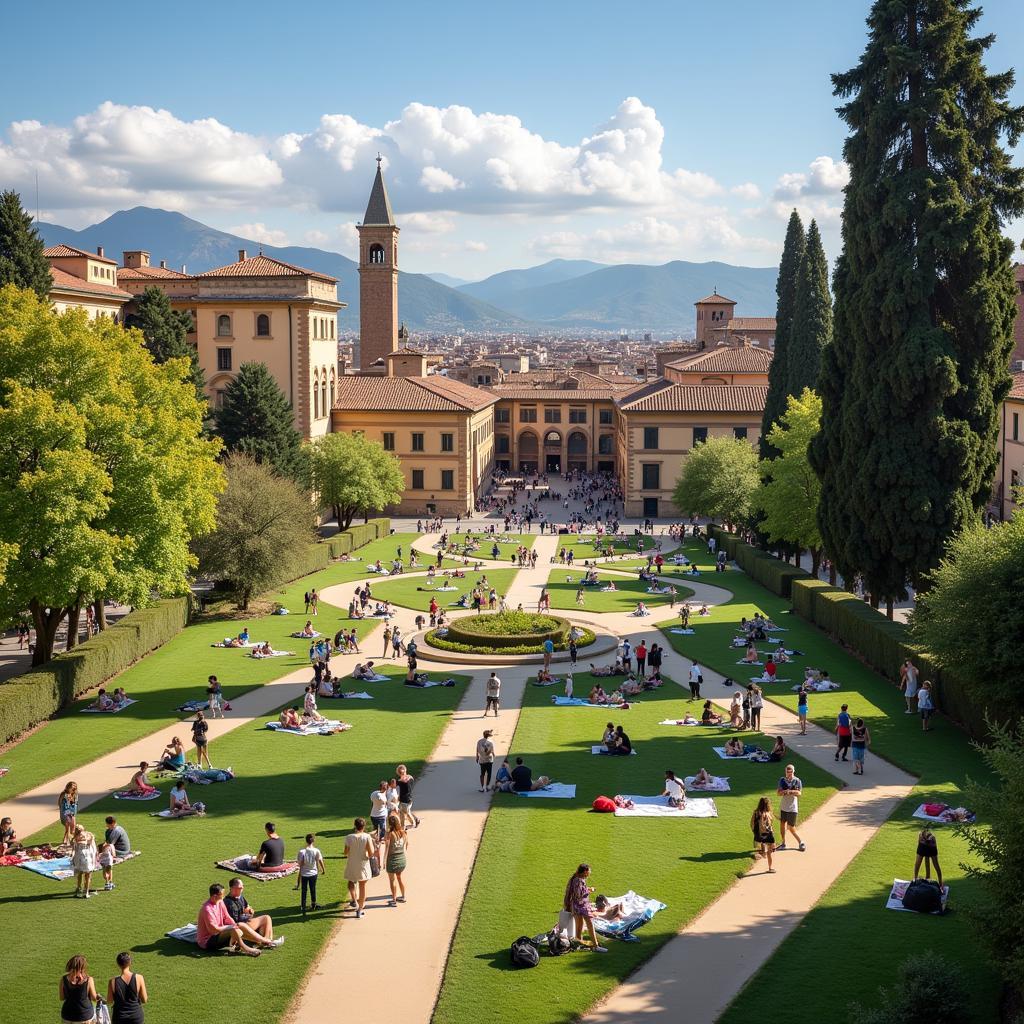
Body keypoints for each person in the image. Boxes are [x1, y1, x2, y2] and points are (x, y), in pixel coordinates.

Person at [196, 883, 264, 956]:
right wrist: (230, 927)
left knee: (239, 925)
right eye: (222, 894)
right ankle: (246, 948)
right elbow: (213, 930)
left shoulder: (220, 902)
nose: (224, 896)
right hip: (207, 942)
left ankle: (264, 941)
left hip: (219, 936)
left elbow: (227, 917)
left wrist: (235, 925)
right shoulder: (207, 909)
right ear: (215, 896)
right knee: (233, 929)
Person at [563, 864, 606, 952]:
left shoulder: (574, 878)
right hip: (582, 906)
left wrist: (586, 889)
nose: (589, 873)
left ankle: (578, 942)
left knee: (580, 924)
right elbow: (579, 895)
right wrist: (589, 890)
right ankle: (596, 946)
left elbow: (575, 891)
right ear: (585, 871)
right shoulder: (579, 880)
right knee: (590, 925)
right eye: (589, 871)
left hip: (575, 906)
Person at [224, 878, 278, 944]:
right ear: (232, 888)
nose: (242, 889)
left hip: (245, 923)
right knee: (266, 918)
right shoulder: (229, 903)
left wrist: (249, 910)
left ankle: (267, 940)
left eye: (242, 887)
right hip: (240, 927)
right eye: (240, 888)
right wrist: (247, 917)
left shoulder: (239, 896)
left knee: (267, 918)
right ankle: (268, 941)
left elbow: (246, 907)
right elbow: (236, 921)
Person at [343, 818, 377, 918]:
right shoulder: (367, 837)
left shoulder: (349, 837)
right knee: (363, 887)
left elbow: (345, 852)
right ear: (364, 826)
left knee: (351, 882)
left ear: (355, 826)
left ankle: (354, 900)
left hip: (352, 863)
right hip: (363, 864)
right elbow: (371, 853)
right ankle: (360, 909)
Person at [107, 952, 147, 1024]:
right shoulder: (139, 978)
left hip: (119, 1017)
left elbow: (109, 1001)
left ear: (118, 964)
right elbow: (144, 999)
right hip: (136, 1016)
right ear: (130, 962)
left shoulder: (112, 981)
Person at [60, 954, 99, 1023]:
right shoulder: (89, 980)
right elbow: (94, 998)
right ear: (83, 967)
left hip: (67, 1015)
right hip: (85, 1016)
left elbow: (62, 997)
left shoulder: (63, 979)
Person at [776, 764, 806, 851]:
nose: (789, 773)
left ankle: (801, 842)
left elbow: (799, 793)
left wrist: (791, 791)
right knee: (782, 825)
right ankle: (783, 843)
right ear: (785, 772)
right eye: (787, 772)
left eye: (790, 772)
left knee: (790, 827)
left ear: (793, 771)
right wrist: (785, 792)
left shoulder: (797, 781)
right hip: (784, 806)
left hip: (792, 808)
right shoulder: (782, 780)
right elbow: (778, 793)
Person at [382, 812, 409, 906]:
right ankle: (403, 896)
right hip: (402, 859)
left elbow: (386, 848)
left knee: (392, 880)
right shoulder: (403, 832)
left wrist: (383, 861)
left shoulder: (389, 834)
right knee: (399, 877)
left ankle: (394, 900)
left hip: (392, 860)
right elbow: (405, 845)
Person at [297, 833, 326, 913]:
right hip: (313, 873)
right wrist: (323, 870)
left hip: (304, 873)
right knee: (313, 889)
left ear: (306, 841)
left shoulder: (302, 852)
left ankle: (303, 906)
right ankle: (313, 904)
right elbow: (320, 861)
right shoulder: (316, 851)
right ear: (313, 841)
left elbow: (299, 863)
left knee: (304, 890)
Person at [71, 825, 97, 899]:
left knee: (79, 874)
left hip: (78, 856)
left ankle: (79, 890)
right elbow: (92, 845)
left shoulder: (75, 838)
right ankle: (86, 892)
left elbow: (73, 847)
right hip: (87, 856)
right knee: (88, 875)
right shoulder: (89, 835)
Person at [751, 797, 776, 873]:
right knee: (771, 851)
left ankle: (762, 852)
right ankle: (770, 867)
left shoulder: (756, 812)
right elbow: (770, 824)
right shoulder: (768, 813)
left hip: (759, 834)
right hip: (768, 834)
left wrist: (754, 831)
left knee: (762, 843)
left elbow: (751, 824)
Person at [396, 764, 421, 829]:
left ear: (398, 773)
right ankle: (415, 820)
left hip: (404, 800)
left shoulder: (400, 781)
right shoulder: (410, 777)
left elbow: (398, 787)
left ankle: (412, 824)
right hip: (409, 798)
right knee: (405, 811)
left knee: (405, 813)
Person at [59, 781, 79, 845]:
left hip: (72, 812)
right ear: (68, 787)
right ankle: (66, 842)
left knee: (73, 828)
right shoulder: (64, 794)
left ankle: (69, 841)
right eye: (72, 787)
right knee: (68, 828)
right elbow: (60, 803)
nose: (73, 789)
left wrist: (71, 800)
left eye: (74, 787)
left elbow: (75, 803)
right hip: (66, 813)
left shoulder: (75, 794)